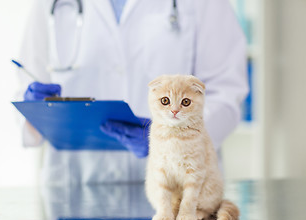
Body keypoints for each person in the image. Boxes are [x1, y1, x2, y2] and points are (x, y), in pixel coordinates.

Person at [17, 0, 248, 186]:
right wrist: (34, 111)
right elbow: (27, 81)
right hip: (76, 184)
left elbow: (227, 92)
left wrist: (172, 139)